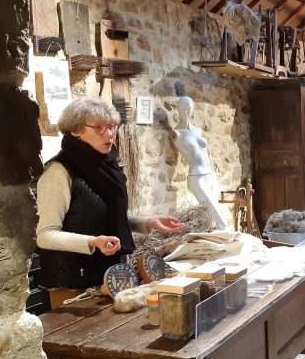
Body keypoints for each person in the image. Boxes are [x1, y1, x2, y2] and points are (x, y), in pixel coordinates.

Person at [36, 97, 183, 308]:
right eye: (99, 128)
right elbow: (45, 235)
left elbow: (105, 217)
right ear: (76, 131)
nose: (109, 133)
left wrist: (147, 223)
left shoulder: (107, 168)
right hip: (72, 287)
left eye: (112, 126)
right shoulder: (59, 172)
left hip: (109, 277)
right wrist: (92, 242)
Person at [171, 96, 227, 230]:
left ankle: (217, 245)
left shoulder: (197, 130)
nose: (186, 113)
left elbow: (205, 153)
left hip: (209, 174)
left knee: (215, 212)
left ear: (193, 110)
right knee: (220, 220)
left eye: (189, 109)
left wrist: (213, 173)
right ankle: (227, 238)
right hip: (196, 177)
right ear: (178, 110)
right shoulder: (176, 133)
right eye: (183, 109)